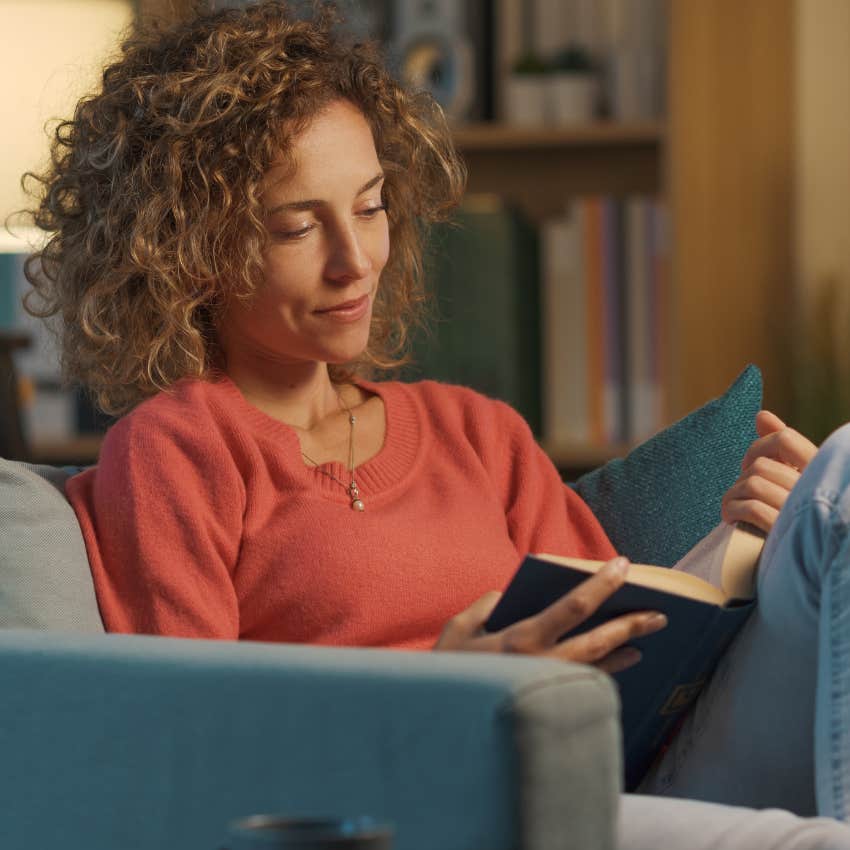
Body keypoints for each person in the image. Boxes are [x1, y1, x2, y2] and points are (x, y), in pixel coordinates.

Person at [20, 2, 850, 847]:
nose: (355, 260)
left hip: (625, 765)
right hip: (434, 803)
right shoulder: (181, 448)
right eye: (298, 227)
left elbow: (630, 640)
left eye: (371, 207)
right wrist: (440, 696)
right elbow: (188, 743)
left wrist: (751, 550)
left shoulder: (477, 433)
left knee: (837, 481)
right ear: (187, 254)